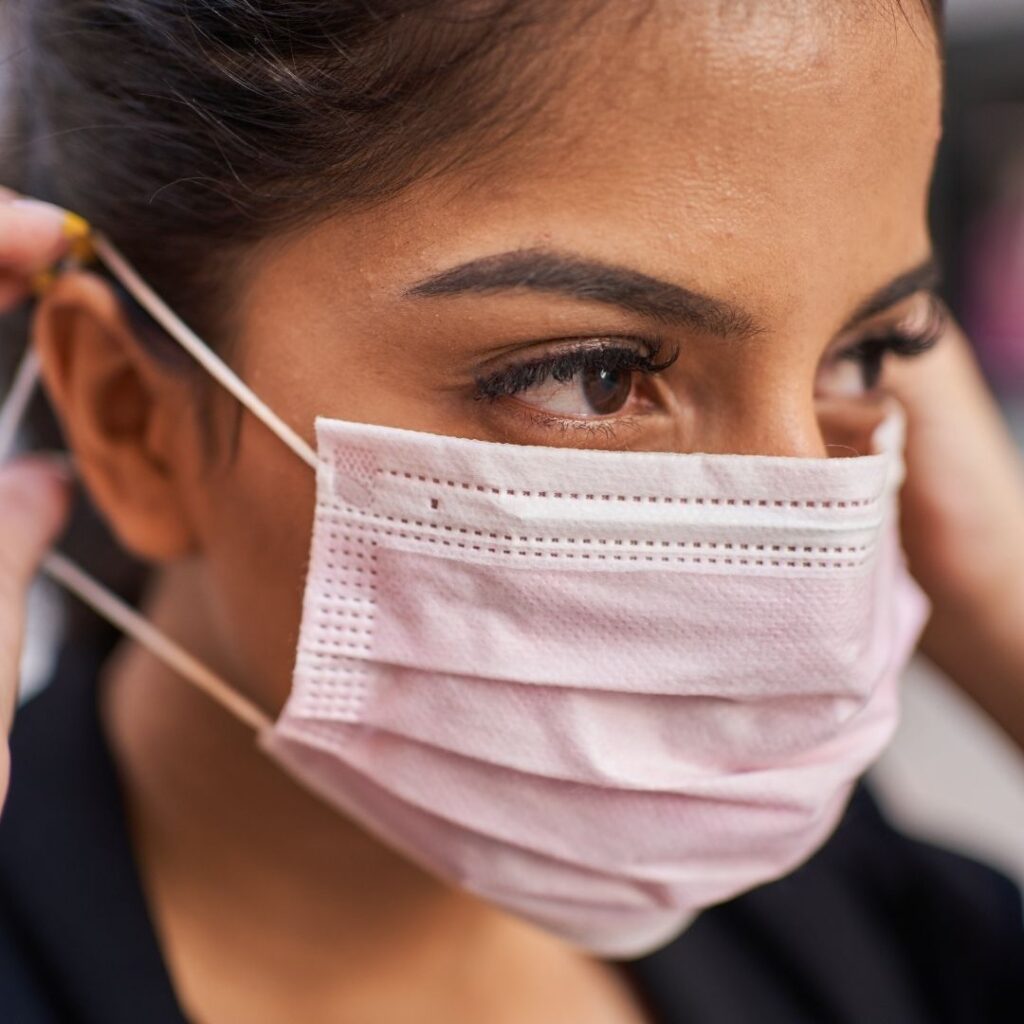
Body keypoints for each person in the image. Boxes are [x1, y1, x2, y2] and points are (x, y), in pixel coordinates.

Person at [0, 1, 1022, 1021]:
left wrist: (1002, 592)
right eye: (596, 377)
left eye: (863, 352)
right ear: (130, 419)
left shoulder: (850, 919)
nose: (809, 609)